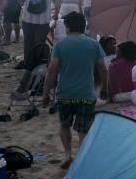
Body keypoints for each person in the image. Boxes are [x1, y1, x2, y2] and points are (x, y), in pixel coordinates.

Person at [42, 12, 108, 169]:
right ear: (83, 26)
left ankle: (67, 154)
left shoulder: (60, 44)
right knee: (83, 129)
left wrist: (45, 93)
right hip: (86, 94)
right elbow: (103, 69)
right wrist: (105, 87)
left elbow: (52, 70)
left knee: (64, 125)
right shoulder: (93, 44)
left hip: (65, 94)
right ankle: (83, 156)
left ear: (68, 26)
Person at [17, 0, 61, 68]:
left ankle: (28, 63)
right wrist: (56, 14)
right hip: (43, 20)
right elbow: (58, 1)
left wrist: (25, 6)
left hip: (27, 19)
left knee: (28, 41)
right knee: (40, 42)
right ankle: (37, 64)